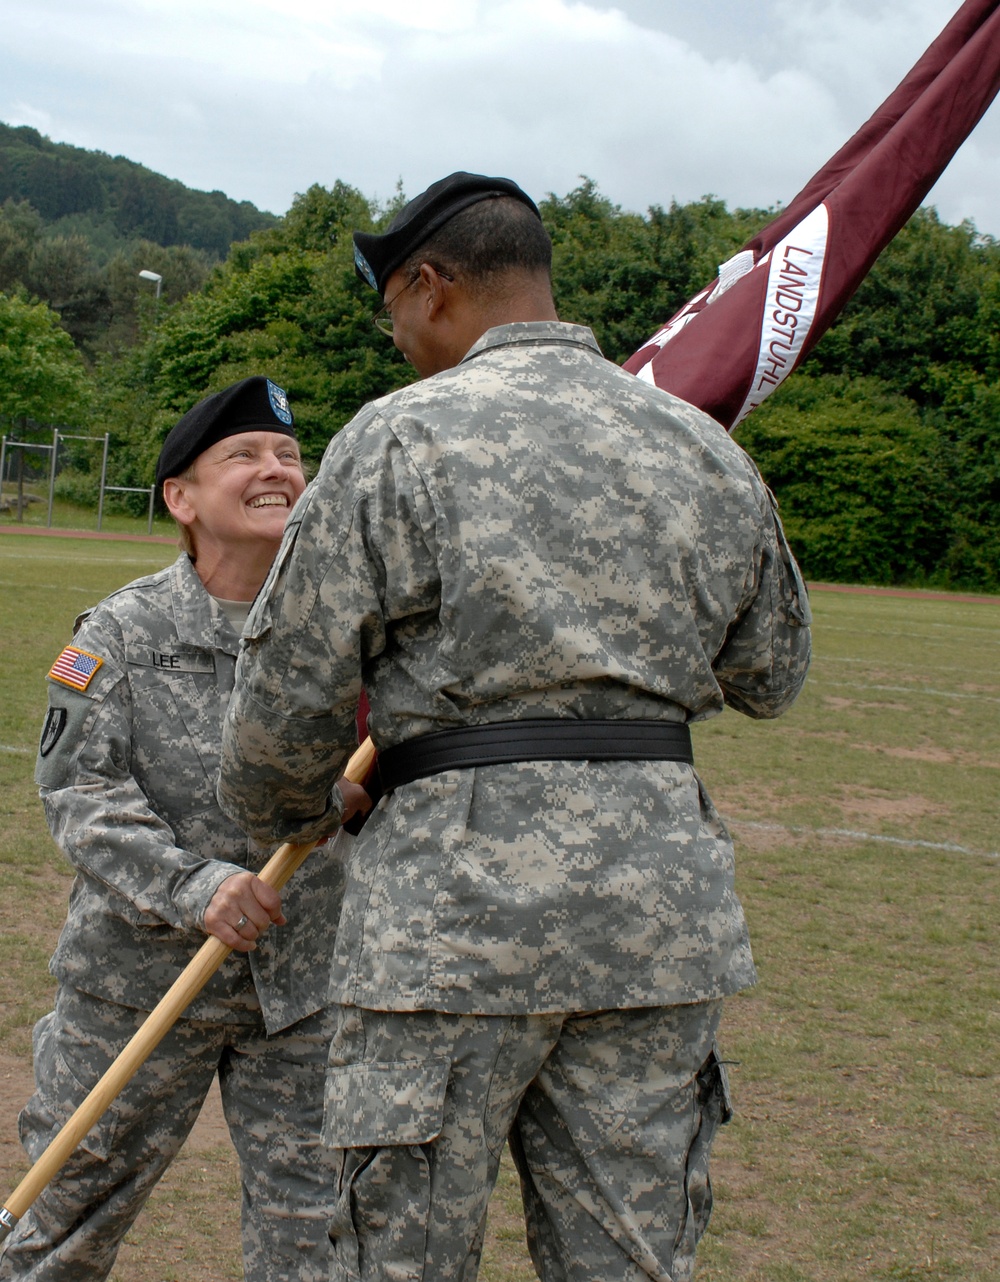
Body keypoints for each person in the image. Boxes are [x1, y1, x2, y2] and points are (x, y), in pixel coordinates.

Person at [217, 174, 813, 1282]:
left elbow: (285, 703)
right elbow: (772, 674)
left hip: (450, 923)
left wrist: (302, 809)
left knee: (395, 1258)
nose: (394, 337)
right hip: (655, 923)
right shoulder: (701, 448)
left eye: (392, 307)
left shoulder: (396, 440)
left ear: (431, 286)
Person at [1, 376, 368, 1282]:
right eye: (241, 456)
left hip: (303, 995)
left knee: (319, 1245)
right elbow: (80, 795)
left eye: (287, 455)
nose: (275, 470)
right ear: (181, 498)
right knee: (62, 1226)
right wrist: (195, 887)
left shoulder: (348, 634)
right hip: (140, 986)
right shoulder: (118, 635)